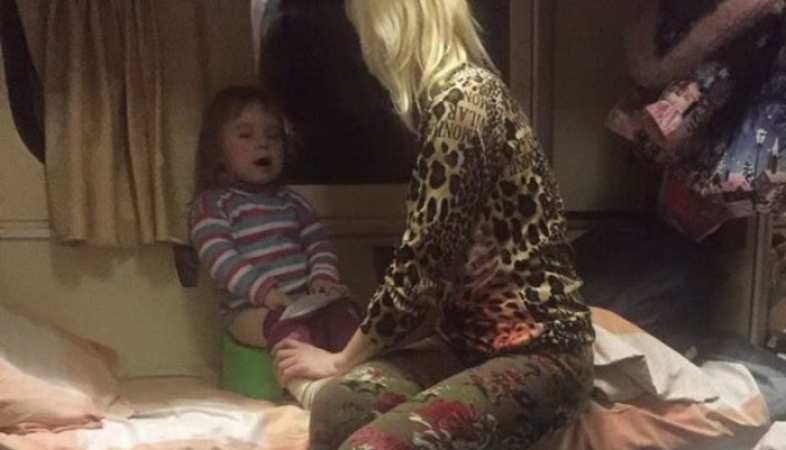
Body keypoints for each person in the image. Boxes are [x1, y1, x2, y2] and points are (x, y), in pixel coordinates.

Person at [271, 1, 596, 449]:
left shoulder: (466, 105)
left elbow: (419, 275)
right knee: (339, 405)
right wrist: (344, 369)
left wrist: (339, 359)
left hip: (541, 353)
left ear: (390, 26)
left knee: (374, 445)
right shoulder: (446, 104)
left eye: (364, 28)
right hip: (466, 344)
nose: (363, 47)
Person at [190, 86, 358, 402]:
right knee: (285, 325)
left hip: (305, 301)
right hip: (250, 310)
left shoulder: (292, 202)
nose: (263, 143)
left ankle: (360, 379)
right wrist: (265, 292)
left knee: (345, 313)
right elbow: (220, 258)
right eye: (246, 135)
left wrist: (324, 277)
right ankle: (306, 388)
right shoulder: (213, 204)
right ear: (217, 151)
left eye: (273, 136)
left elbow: (318, 243)